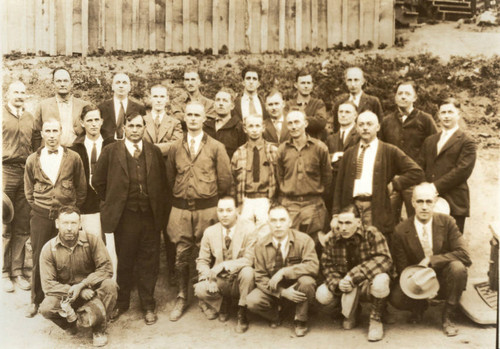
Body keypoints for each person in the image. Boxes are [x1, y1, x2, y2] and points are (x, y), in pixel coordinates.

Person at [92, 112, 168, 325]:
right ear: (123, 128)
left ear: (145, 128)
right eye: (131, 126)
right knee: (124, 261)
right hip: (124, 218)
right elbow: (98, 182)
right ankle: (122, 302)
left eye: (139, 126)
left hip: (150, 217)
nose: (135, 130)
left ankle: (148, 305)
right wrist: (113, 202)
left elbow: (162, 183)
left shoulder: (153, 151)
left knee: (149, 262)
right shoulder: (110, 151)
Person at [166, 101, 233, 321]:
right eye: (189, 115)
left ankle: (208, 298)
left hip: (208, 210)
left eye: (197, 115)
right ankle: (183, 295)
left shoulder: (215, 146)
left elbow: (224, 181)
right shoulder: (176, 147)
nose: (193, 118)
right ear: (184, 118)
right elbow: (169, 178)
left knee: (209, 254)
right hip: (182, 210)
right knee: (182, 254)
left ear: (205, 119)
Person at [390, 182, 471, 336]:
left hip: (444, 276)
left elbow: (465, 254)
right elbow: (403, 268)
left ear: (435, 202)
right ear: (413, 202)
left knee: (458, 268)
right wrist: (422, 288)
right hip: (420, 279)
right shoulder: (401, 230)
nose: (424, 207)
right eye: (420, 201)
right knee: (396, 298)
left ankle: (448, 315)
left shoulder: (447, 222)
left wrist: (431, 259)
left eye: (428, 201)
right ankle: (419, 306)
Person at [24, 119, 87, 318]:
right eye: (47, 131)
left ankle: (71, 298)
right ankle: (36, 300)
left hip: (67, 216)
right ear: (42, 134)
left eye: (55, 131)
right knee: (38, 256)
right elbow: (28, 191)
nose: (51, 135)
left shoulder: (74, 157)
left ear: (61, 133)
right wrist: (39, 208)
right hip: (41, 215)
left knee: (69, 255)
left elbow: (82, 188)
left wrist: (71, 211)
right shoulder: (32, 159)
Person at [333, 111, 424, 239]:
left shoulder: (389, 150)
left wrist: (395, 184)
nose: (365, 127)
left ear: (378, 127)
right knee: (352, 244)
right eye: (361, 124)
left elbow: (416, 172)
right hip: (352, 208)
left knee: (374, 243)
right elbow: (339, 185)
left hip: (375, 207)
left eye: (369, 124)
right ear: (357, 128)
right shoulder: (349, 153)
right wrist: (336, 214)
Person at [39, 206, 118, 347]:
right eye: (65, 223)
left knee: (110, 285)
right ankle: (71, 324)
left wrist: (83, 285)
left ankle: (98, 329)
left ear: (80, 224)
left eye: (73, 223)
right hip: (67, 296)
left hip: (92, 293)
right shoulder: (48, 249)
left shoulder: (92, 240)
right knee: (46, 307)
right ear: (57, 224)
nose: (69, 228)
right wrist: (78, 291)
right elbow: (48, 285)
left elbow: (106, 268)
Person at [316, 205, 393, 342]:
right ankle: (352, 311)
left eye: (348, 223)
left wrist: (354, 275)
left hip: (366, 282)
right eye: (340, 223)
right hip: (346, 286)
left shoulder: (372, 233)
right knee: (322, 294)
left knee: (382, 280)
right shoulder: (332, 238)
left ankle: (376, 318)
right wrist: (338, 283)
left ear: (358, 222)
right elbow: (326, 266)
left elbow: (385, 259)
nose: (343, 228)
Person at [247, 205, 319, 337]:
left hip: (297, 287)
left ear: (290, 222)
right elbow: (260, 277)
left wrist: (285, 272)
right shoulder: (261, 245)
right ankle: (276, 315)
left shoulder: (304, 240)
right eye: (273, 221)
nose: (278, 225)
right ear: (268, 223)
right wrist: (283, 292)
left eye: (282, 220)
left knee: (307, 282)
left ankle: (300, 320)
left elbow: (313, 266)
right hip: (275, 291)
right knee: (252, 300)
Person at [194, 196, 256, 333]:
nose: (225, 214)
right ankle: (223, 304)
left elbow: (250, 259)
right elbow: (202, 260)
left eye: (229, 210)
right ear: (217, 211)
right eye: (221, 210)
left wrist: (225, 265)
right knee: (199, 289)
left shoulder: (249, 229)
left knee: (248, 272)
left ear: (237, 210)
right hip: (220, 280)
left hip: (239, 279)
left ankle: (242, 311)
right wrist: (207, 278)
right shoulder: (210, 232)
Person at [69, 105, 117, 278]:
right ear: (82, 123)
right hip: (88, 204)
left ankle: (113, 285)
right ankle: (94, 283)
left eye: (97, 120)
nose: (94, 124)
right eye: (89, 120)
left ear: (102, 121)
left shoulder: (113, 145)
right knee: (92, 244)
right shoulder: (75, 149)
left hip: (110, 203)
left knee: (111, 246)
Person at [380, 81, 438, 222]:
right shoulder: (387, 121)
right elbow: (381, 149)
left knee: (417, 221)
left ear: (415, 97)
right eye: (400, 93)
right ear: (395, 97)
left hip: (415, 181)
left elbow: (433, 149)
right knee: (389, 222)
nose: (403, 97)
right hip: (392, 181)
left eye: (407, 94)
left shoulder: (425, 120)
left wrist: (424, 177)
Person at [143, 84, 182, 285]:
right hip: (147, 181)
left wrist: (151, 148)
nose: (158, 100)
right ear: (150, 98)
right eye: (155, 96)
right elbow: (135, 144)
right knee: (149, 229)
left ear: (168, 100)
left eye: (162, 96)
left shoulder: (175, 122)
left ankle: (173, 270)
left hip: (167, 182)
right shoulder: (141, 121)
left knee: (169, 228)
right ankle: (150, 271)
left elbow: (176, 145)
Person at [418, 98, 476, 233]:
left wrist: (434, 187)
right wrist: (424, 188)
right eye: (443, 112)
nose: (446, 116)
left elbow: (462, 171)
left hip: (454, 202)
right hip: (429, 201)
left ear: (458, 114)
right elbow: (420, 166)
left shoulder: (467, 141)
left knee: (452, 247)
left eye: (450, 112)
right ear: (438, 115)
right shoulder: (430, 140)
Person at [277, 110, 332, 244]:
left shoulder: (319, 148)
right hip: (290, 205)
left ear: (305, 123)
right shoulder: (283, 149)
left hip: (313, 204)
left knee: (315, 244)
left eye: (297, 122)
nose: (293, 126)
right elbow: (280, 176)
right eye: (290, 123)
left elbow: (327, 178)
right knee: (291, 244)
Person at [2, 81, 35, 293]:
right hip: (4, 172)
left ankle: (18, 270)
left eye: (23, 92)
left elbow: (37, 142)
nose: (20, 95)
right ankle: (4, 272)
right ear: (7, 94)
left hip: (25, 172)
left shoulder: (30, 117)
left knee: (23, 224)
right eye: (16, 92)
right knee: (4, 225)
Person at [231, 115, 278, 228]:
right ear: (245, 129)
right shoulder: (239, 153)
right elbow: (232, 181)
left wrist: (275, 202)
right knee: (246, 235)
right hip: (246, 200)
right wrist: (236, 205)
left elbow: (280, 178)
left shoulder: (273, 151)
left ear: (263, 128)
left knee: (265, 234)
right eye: (251, 126)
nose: (254, 129)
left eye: (257, 126)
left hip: (266, 200)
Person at [33, 67, 91, 148]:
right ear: (53, 84)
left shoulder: (84, 105)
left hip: (78, 152)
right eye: (59, 81)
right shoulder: (43, 106)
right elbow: (36, 134)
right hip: (51, 152)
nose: (62, 84)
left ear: (71, 83)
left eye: (65, 81)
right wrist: (38, 155)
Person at [324, 101, 360, 215]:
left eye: (347, 112)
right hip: (333, 187)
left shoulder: (360, 136)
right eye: (341, 112)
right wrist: (333, 156)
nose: (343, 115)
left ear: (355, 115)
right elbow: (323, 159)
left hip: (353, 185)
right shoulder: (331, 138)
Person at [331, 67, 383, 132]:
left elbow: (380, 127)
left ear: (362, 81)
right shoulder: (340, 103)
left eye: (356, 80)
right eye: (349, 80)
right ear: (346, 82)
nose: (353, 84)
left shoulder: (373, 102)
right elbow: (336, 129)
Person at [98, 73, 146, 140]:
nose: (121, 86)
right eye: (118, 82)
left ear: (129, 87)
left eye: (124, 83)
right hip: (107, 147)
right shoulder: (101, 108)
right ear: (112, 86)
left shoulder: (139, 109)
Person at [203, 87, 247, 159]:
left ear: (232, 106)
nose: (221, 103)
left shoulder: (239, 127)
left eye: (225, 101)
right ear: (214, 105)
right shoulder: (206, 126)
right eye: (218, 100)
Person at [285, 68, 328, 141]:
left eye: (308, 83)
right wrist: (310, 119)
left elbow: (321, 122)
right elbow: (285, 124)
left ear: (312, 85)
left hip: (313, 145)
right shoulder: (289, 105)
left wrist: (298, 119)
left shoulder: (318, 103)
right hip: (293, 145)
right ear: (296, 85)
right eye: (303, 83)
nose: (306, 86)